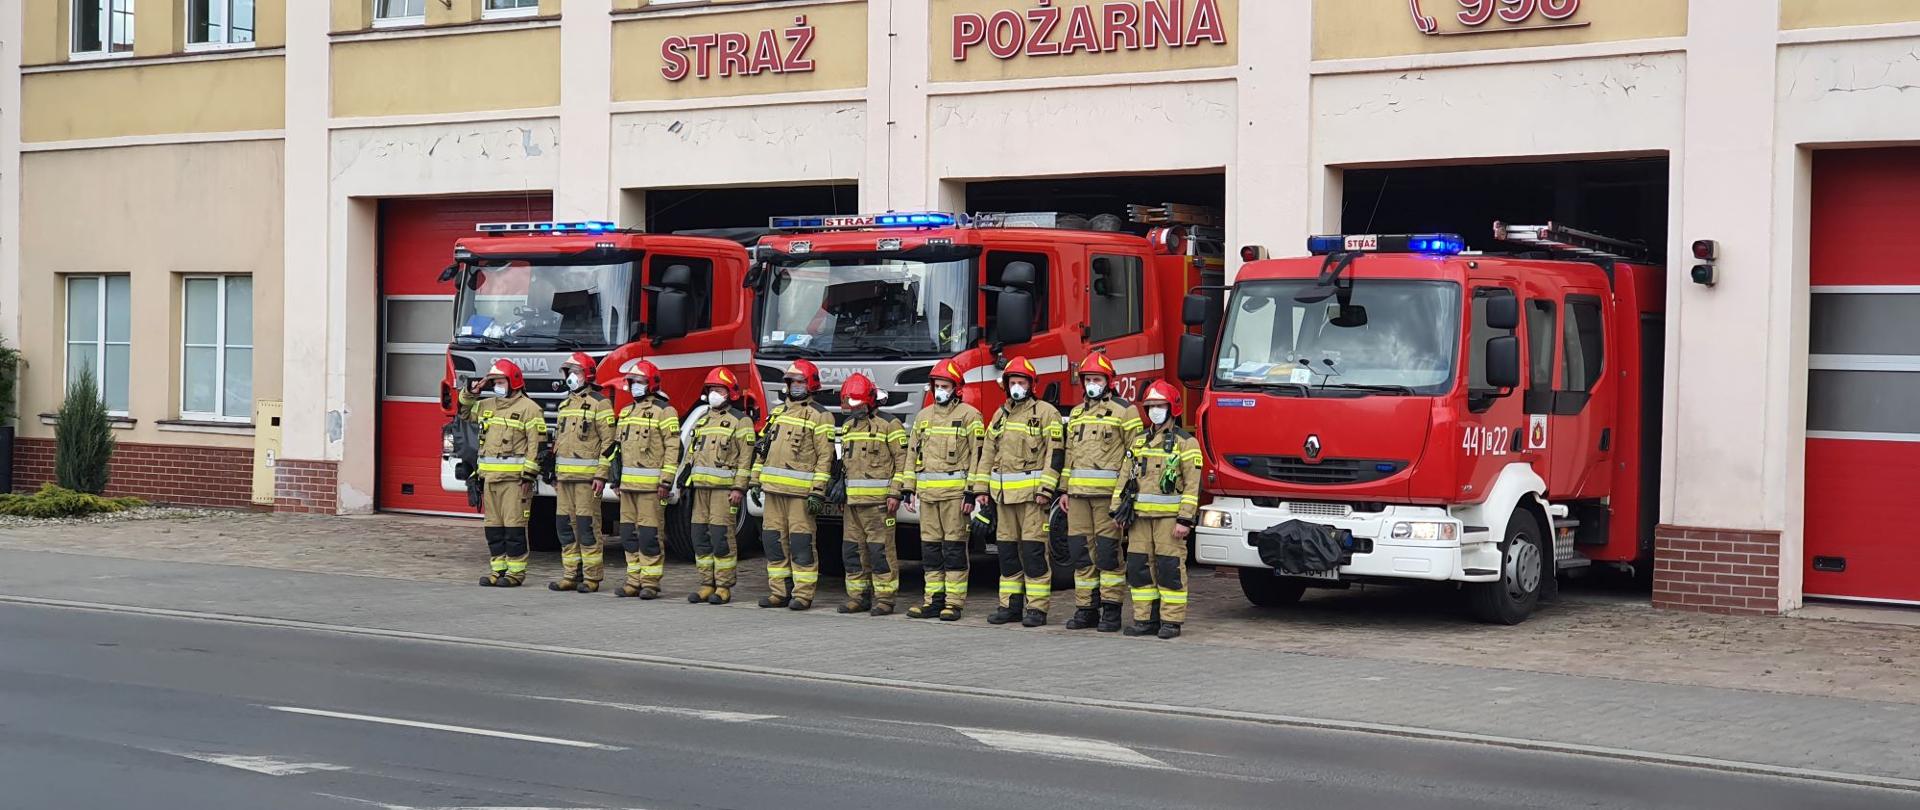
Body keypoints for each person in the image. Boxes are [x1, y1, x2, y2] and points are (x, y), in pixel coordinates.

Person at [975, 356, 1065, 628]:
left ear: (1031, 384)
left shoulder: (1047, 413)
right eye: (1012, 382)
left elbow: (1056, 454)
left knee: (1034, 552)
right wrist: (981, 489)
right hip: (1003, 500)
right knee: (1007, 553)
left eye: (1021, 381)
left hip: (1032, 500)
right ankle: (1010, 606)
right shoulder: (999, 416)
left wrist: (1047, 489)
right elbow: (987, 453)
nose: (1016, 386)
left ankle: (1036, 609)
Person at [1112, 380, 1203, 639]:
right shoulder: (1140, 440)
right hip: (1140, 519)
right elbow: (1124, 477)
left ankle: (1171, 621)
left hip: (1169, 521)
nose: (1154, 410)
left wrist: (1185, 519)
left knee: (1169, 569)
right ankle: (1144, 619)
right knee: (1140, 569)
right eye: (1150, 406)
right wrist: (1117, 509)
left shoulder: (1186, 443)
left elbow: (1192, 485)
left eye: (1159, 405)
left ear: (1171, 407)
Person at [1059, 354, 1142, 631]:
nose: (1092, 384)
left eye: (1097, 379)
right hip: (1078, 497)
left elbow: (1135, 455)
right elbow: (1070, 455)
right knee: (1081, 554)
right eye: (1088, 379)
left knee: (1108, 555)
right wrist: (1064, 491)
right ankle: (1085, 609)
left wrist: (1124, 497)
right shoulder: (1077, 413)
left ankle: (1111, 611)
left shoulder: (1125, 411)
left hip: (1108, 499)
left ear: (1109, 381)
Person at [904, 357, 985, 621]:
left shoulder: (970, 416)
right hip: (927, 497)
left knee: (953, 550)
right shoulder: (923, 417)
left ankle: (953, 603)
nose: (940, 390)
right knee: (930, 550)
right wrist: (908, 488)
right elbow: (911, 455)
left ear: (956, 388)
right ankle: (933, 600)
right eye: (937, 385)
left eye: (945, 385)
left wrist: (972, 492)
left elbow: (978, 456)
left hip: (954, 497)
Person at [751, 360, 835, 611]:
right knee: (773, 541)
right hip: (773, 492)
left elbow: (825, 457)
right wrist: (755, 482)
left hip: (800, 495)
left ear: (810, 385)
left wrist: (818, 492)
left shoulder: (821, 416)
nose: (795, 386)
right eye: (792, 382)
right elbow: (762, 451)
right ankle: (779, 592)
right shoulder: (777, 414)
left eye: (800, 382)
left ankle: (803, 594)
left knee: (801, 543)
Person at [464, 360, 546, 587]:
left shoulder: (530, 409)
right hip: (489, 480)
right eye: (494, 383)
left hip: (514, 482)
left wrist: (528, 477)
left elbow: (536, 446)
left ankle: (515, 573)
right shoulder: (487, 405)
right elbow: (463, 413)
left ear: (514, 382)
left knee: (514, 528)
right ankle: (498, 570)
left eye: (500, 382)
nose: (497, 386)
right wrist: (471, 393)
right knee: (493, 529)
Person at [605, 358, 680, 600]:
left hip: (651, 488)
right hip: (627, 487)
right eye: (632, 381)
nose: (635, 385)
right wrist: (615, 480)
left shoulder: (665, 411)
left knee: (649, 536)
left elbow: (672, 447)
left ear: (651, 383)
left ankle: (650, 583)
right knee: (628, 535)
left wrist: (666, 481)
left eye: (640, 381)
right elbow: (617, 449)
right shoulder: (626, 412)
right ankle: (632, 580)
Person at [835, 373, 910, 615]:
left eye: (857, 404)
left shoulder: (890, 425)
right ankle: (858, 597)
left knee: (880, 552)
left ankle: (885, 599)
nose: (853, 409)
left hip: (879, 505)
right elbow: (845, 463)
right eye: (849, 404)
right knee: (852, 552)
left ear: (869, 400)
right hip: (852, 504)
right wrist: (839, 487)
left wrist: (895, 494)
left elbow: (903, 463)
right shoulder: (848, 427)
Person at [684, 367, 757, 605]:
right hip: (700, 490)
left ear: (730, 392)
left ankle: (724, 586)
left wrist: (739, 488)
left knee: (720, 537)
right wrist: (684, 480)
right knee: (699, 536)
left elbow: (746, 458)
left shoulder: (740, 420)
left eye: (719, 389)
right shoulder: (703, 419)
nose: (714, 393)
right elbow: (692, 454)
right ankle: (706, 583)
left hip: (724, 491)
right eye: (712, 389)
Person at [548, 352, 616, 593]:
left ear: (586, 375)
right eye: (569, 373)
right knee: (565, 527)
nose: (571, 377)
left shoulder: (600, 403)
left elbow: (609, 443)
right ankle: (570, 574)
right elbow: (559, 442)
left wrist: (601, 474)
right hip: (565, 479)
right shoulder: (565, 405)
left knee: (587, 527)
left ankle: (591, 577)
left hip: (588, 480)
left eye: (576, 372)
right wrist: (554, 473)